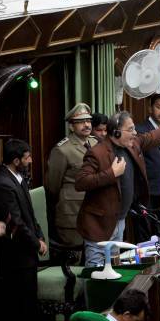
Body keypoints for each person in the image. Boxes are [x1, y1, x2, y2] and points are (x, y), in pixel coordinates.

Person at [76, 109, 160, 267]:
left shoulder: (133, 144)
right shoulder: (97, 153)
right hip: (99, 224)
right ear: (117, 132)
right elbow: (81, 182)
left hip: (119, 221)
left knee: (111, 269)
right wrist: (111, 173)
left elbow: (153, 136)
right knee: (95, 273)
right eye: (130, 129)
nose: (135, 133)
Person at [0, 139, 46, 321]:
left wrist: (39, 236)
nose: (31, 161)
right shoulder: (3, 184)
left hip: (28, 250)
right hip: (15, 255)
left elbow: (31, 215)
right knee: (19, 306)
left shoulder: (19, 179)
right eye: (27, 158)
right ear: (16, 161)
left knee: (29, 299)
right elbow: (16, 222)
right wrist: (36, 243)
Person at [45, 103, 98, 251]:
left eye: (88, 120)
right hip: (72, 215)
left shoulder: (95, 143)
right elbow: (52, 186)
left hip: (94, 212)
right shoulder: (62, 150)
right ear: (71, 126)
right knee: (74, 258)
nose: (86, 125)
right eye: (81, 122)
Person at [134, 93, 160, 242]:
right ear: (150, 108)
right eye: (159, 107)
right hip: (145, 192)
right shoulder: (139, 130)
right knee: (144, 235)